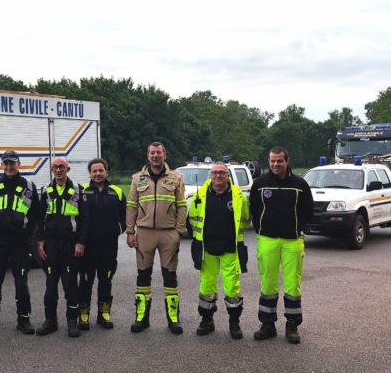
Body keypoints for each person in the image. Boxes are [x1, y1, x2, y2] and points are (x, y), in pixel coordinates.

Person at [249, 146, 313, 344]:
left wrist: (297, 228)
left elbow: (308, 210)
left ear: (287, 161)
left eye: (280, 161)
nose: (276, 164)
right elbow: (254, 208)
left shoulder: (300, 184)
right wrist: (262, 227)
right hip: (267, 240)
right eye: (272, 161)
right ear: (268, 162)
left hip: (292, 241)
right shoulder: (259, 184)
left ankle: (292, 325)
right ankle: (267, 324)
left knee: (292, 284)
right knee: (268, 283)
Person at [125, 142, 187, 334]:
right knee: (143, 275)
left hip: (169, 233)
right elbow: (131, 206)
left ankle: (173, 319)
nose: (155, 156)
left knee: (170, 276)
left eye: (158, 152)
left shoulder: (176, 178)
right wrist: (130, 231)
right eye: (152, 152)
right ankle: (141, 318)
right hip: (144, 233)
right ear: (148, 155)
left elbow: (182, 205)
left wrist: (179, 231)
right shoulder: (137, 178)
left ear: (164, 155)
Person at [0, 150, 39, 335]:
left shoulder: (29, 185)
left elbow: (35, 213)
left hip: (20, 241)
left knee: (21, 282)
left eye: (12, 163)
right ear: (2, 165)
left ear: (18, 164)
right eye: (6, 163)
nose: (9, 167)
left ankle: (24, 320)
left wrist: (26, 231)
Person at [187, 163, 250, 340]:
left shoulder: (238, 196)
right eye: (215, 173)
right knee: (207, 286)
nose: (218, 176)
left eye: (222, 173)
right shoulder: (200, 194)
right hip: (207, 249)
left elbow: (245, 220)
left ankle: (234, 323)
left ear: (228, 175)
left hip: (230, 249)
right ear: (210, 175)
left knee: (232, 289)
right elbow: (192, 220)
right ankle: (207, 321)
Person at [36, 157, 89, 338]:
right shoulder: (45, 190)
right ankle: (50, 321)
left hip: (70, 244)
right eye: (55, 167)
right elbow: (39, 219)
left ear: (68, 169)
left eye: (61, 167)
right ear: (52, 169)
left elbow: (85, 220)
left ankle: (72, 322)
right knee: (50, 286)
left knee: (70, 286)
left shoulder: (78, 190)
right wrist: (40, 241)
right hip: (50, 244)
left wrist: (81, 243)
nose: (58, 170)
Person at [78, 158, 126, 330]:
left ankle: (104, 314)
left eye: (101, 170)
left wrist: (117, 229)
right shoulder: (82, 191)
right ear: (90, 173)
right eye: (94, 171)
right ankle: (83, 315)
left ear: (107, 172)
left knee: (106, 280)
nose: (98, 174)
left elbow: (125, 216)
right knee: (85, 280)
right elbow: (76, 217)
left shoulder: (117, 192)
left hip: (108, 245)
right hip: (88, 246)